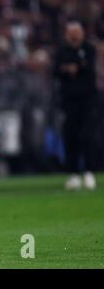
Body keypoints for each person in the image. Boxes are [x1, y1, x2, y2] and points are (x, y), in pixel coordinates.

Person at [53, 21, 98, 190]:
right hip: (69, 101)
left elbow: (87, 68)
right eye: (71, 32)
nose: (74, 36)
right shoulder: (62, 51)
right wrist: (70, 68)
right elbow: (56, 71)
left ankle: (89, 172)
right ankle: (73, 173)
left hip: (88, 101)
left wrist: (74, 67)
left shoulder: (88, 49)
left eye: (77, 32)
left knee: (88, 137)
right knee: (70, 137)